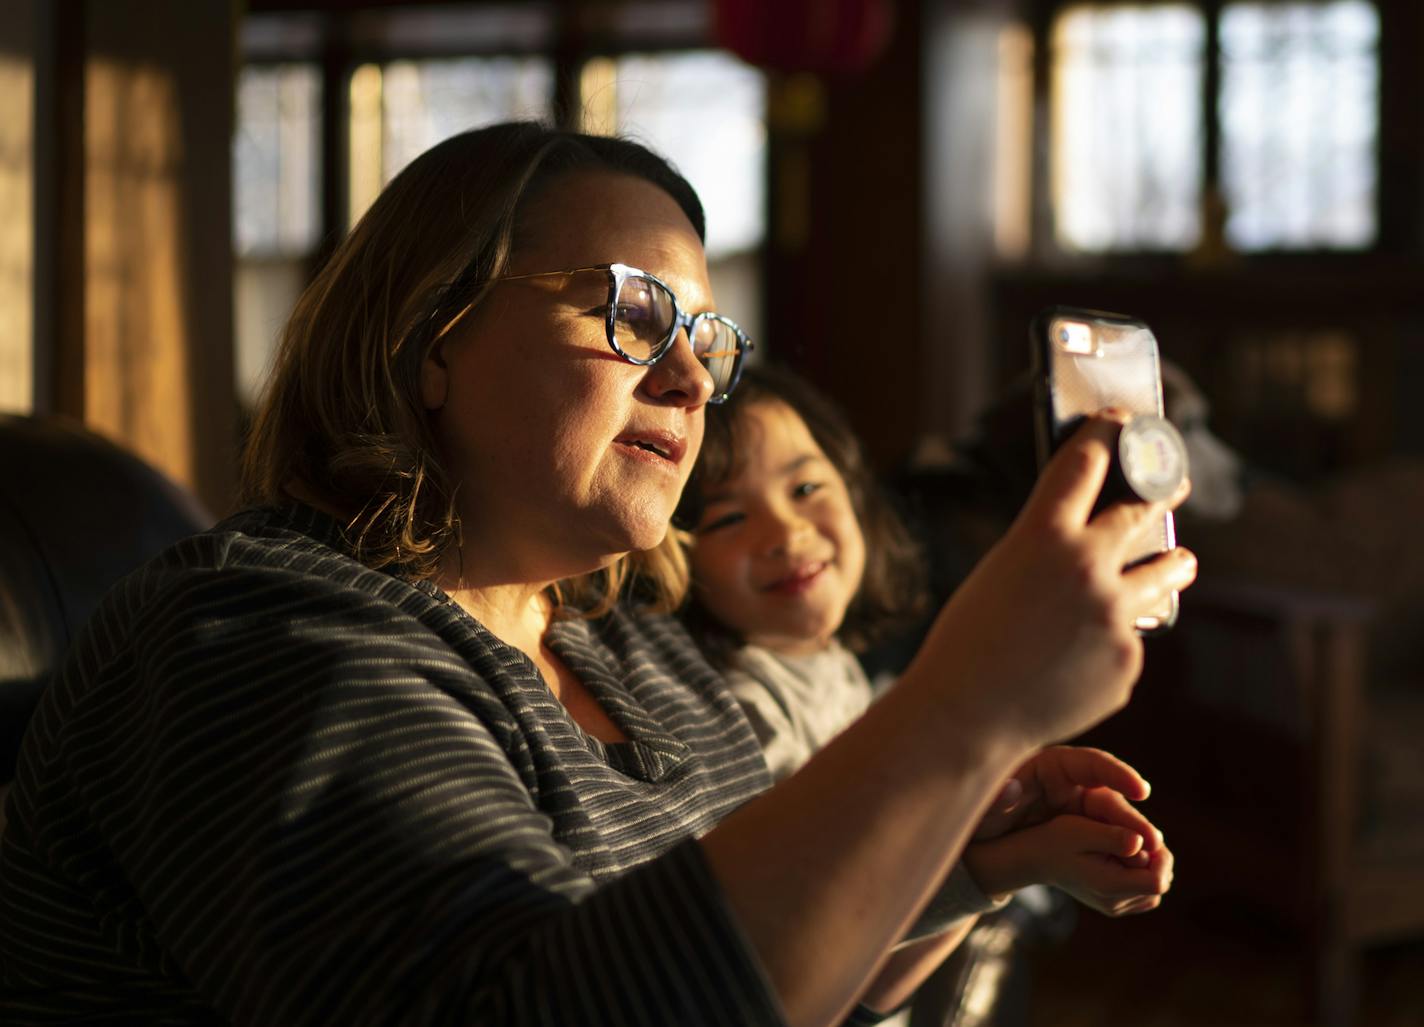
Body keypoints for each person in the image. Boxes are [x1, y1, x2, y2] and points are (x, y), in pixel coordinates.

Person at [0, 122, 1198, 1027]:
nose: (688, 377)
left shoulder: (624, 644)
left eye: (710, 341)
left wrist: (962, 854)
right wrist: (962, 705)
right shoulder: (258, 640)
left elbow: (745, 979)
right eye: (632, 312)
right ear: (431, 338)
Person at [675, 365, 1177, 1021]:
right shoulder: (746, 713)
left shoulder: (834, 669)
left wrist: (1016, 853)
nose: (786, 531)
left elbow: (874, 965)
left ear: (855, 492)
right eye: (729, 517)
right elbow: (819, 942)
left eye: (805, 486)